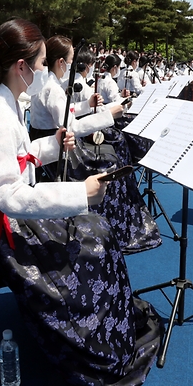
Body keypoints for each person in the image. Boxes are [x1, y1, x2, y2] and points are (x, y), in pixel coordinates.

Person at [0, 19, 162, 386]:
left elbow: (18, 157)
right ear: (21, 67)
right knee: (95, 238)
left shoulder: (3, 101)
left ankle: (108, 320)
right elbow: (10, 197)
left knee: (95, 229)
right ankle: (98, 347)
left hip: (0, 214)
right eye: (42, 63)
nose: (44, 70)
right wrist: (81, 192)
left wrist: (50, 145)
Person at [30, 36, 160, 255]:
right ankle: (118, 231)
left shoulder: (46, 84)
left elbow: (65, 112)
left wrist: (86, 104)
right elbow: (71, 126)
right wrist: (108, 115)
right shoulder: (52, 88)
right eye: (71, 61)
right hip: (58, 150)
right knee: (112, 166)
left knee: (111, 153)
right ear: (61, 62)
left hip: (53, 142)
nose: (73, 65)